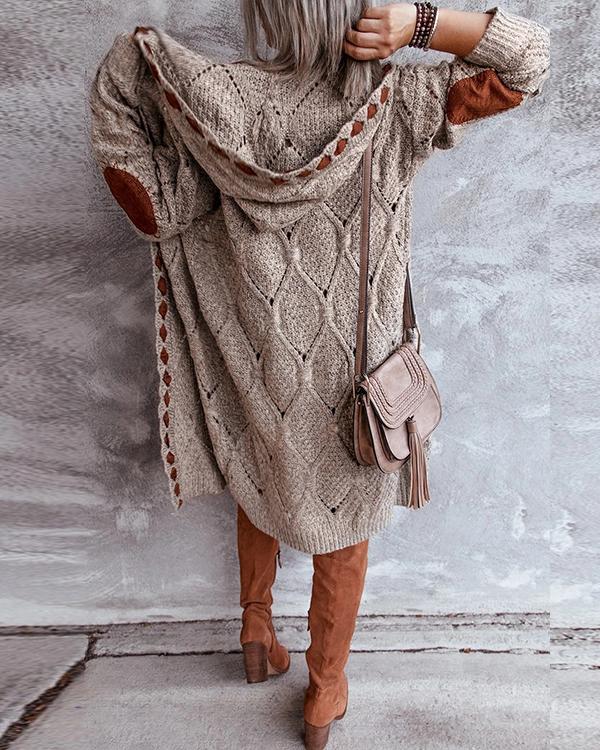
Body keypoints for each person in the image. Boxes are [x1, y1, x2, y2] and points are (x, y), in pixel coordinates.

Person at [89, 2, 550, 747]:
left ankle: (255, 629)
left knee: (261, 473)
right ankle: (324, 689)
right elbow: (527, 62)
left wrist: (131, 154)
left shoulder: (218, 98)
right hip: (356, 379)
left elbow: (153, 195)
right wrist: (419, 23)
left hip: (254, 363)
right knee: (347, 517)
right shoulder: (400, 99)